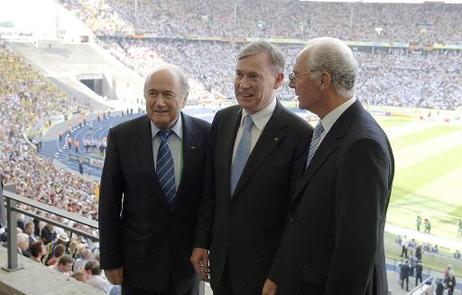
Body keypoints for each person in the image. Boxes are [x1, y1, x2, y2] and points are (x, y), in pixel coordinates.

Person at [266, 37, 394, 294]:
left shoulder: (362, 145)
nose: (292, 85)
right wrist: (279, 275)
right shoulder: (327, 130)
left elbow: (355, 250)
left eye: (296, 76)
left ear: (323, 81)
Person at [191, 41, 311, 294]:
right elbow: (210, 191)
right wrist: (201, 241)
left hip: (265, 275)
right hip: (221, 267)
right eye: (239, 74)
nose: (243, 84)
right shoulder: (223, 120)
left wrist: (280, 274)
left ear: (278, 80)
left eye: (253, 76)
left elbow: (297, 217)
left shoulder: (300, 135)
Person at [99, 64, 210, 295]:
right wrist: (110, 258)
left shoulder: (206, 134)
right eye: (153, 94)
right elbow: (108, 204)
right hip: (137, 267)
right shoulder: (122, 136)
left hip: (185, 268)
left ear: (184, 98)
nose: (159, 102)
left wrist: (202, 243)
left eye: (168, 94)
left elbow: (207, 199)